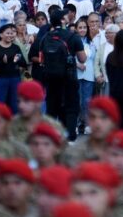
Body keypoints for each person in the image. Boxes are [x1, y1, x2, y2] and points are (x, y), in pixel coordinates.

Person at [37, 10, 86, 142]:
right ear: (62, 21)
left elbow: (41, 59)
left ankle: (51, 137)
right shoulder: (72, 36)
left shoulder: (45, 37)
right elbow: (82, 59)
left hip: (51, 78)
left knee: (52, 108)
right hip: (69, 78)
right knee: (71, 107)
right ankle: (70, 137)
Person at [0, 23, 27, 113]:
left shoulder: (16, 48)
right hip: (0, 79)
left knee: (14, 105)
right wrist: (2, 62)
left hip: (14, 78)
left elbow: (24, 63)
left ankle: (14, 125)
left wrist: (17, 60)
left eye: (11, 33)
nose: (10, 35)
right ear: (1, 34)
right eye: (7, 33)